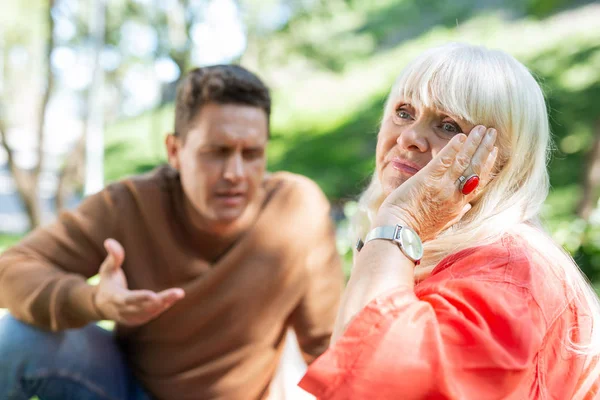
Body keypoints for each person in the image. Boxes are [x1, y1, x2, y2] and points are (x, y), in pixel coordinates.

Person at [0, 65, 344, 400]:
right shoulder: (129, 203)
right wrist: (93, 302)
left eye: (252, 153)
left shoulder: (297, 209)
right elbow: (10, 269)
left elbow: (328, 347)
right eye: (216, 152)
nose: (236, 173)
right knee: (19, 337)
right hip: (129, 387)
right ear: (175, 151)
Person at [299, 43, 600, 399]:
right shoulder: (444, 253)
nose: (409, 136)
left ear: (501, 163)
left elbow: (369, 384)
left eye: (447, 125)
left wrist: (400, 221)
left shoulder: (510, 272)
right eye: (403, 112)